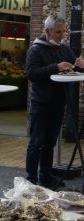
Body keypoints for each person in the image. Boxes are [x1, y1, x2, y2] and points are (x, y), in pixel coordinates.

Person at [25, 15, 84, 188]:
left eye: (63, 31)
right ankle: (30, 180)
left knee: (50, 143)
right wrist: (56, 67)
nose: (61, 35)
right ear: (47, 31)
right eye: (58, 32)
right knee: (36, 143)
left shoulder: (64, 48)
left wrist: (81, 64)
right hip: (40, 103)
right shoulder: (35, 49)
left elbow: (74, 65)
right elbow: (31, 74)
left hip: (58, 102)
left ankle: (46, 177)